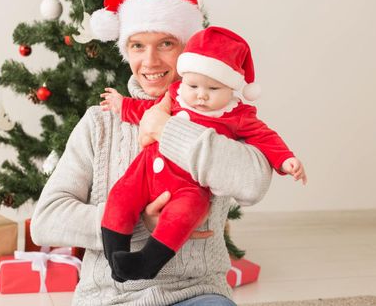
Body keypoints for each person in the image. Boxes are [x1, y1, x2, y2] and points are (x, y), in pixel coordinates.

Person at [31, 0, 272, 306]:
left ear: (189, 50)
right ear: (125, 51)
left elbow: (254, 183)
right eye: (137, 46)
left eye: (166, 43)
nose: (151, 61)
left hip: (196, 292)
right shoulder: (99, 123)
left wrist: (166, 130)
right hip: (108, 297)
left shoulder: (222, 117)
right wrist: (139, 220)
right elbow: (46, 221)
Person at [100, 26, 307, 281]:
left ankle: (146, 263)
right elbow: (145, 109)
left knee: (183, 214)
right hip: (145, 171)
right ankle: (116, 259)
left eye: (213, 90)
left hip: (189, 187)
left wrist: (285, 160)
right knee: (121, 196)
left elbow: (265, 137)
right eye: (194, 86)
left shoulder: (236, 115)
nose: (201, 96)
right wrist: (121, 105)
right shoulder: (174, 96)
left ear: (231, 89)